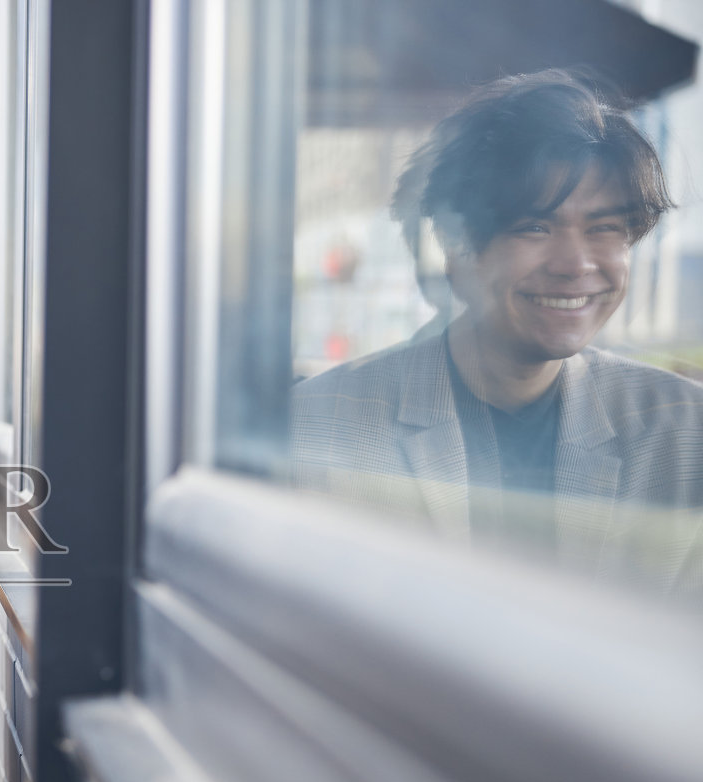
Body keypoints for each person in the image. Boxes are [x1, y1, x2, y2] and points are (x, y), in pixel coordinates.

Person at [293, 70, 703, 592]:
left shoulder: (686, 434)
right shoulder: (318, 429)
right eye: (534, 226)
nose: (576, 264)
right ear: (454, 242)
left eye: (605, 229)